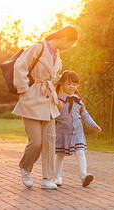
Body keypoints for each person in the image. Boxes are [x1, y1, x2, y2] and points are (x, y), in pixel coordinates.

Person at [12, 26, 78, 190]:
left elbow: (53, 79)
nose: (68, 48)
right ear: (65, 39)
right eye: (70, 44)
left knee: (49, 142)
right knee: (36, 142)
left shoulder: (57, 56)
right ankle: (25, 168)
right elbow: (19, 66)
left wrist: (63, 79)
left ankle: (47, 178)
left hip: (49, 102)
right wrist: (24, 90)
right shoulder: (38, 48)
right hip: (32, 100)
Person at [54, 71, 101, 187]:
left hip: (77, 133)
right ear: (62, 85)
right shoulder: (57, 100)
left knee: (80, 153)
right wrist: (56, 108)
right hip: (62, 133)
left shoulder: (78, 101)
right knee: (60, 156)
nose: (72, 87)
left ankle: (83, 176)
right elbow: (51, 116)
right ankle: (57, 178)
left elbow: (85, 115)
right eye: (69, 84)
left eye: (74, 84)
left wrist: (94, 125)